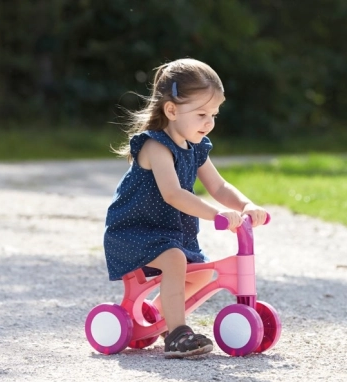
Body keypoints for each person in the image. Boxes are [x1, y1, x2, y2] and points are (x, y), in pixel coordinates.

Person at [104, 58, 267, 358]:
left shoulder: (196, 148)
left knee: (203, 273)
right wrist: (216, 214)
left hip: (169, 234)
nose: (209, 123)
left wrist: (246, 205)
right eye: (202, 114)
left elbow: (219, 187)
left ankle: (157, 314)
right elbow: (173, 195)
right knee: (176, 260)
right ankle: (176, 334)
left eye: (214, 114)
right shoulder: (156, 146)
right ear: (171, 110)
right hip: (135, 232)